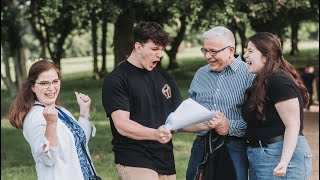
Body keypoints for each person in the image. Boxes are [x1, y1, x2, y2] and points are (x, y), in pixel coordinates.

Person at [101, 22, 182, 179]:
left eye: (162, 49)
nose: (160, 54)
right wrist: (155, 134)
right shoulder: (117, 79)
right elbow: (122, 125)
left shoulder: (165, 78)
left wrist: (208, 121)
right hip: (134, 159)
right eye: (154, 49)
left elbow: (179, 118)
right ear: (138, 47)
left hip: (165, 159)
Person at [181, 26, 255, 180]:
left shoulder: (250, 74)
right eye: (205, 50)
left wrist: (230, 127)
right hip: (201, 146)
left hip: (234, 147)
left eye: (213, 51)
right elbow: (188, 112)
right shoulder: (201, 74)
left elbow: (257, 120)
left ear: (230, 49)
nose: (208, 56)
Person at [8, 60, 98, 180]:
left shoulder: (60, 110)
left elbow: (79, 144)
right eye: (44, 83)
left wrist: (84, 112)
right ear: (33, 87)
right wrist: (50, 124)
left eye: (55, 81)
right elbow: (47, 158)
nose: (51, 88)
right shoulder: (35, 118)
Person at [241, 32, 312, 179]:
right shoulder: (261, 81)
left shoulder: (278, 80)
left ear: (266, 56)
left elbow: (293, 124)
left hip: (279, 155)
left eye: (250, 51)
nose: (245, 56)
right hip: (262, 155)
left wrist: (284, 162)